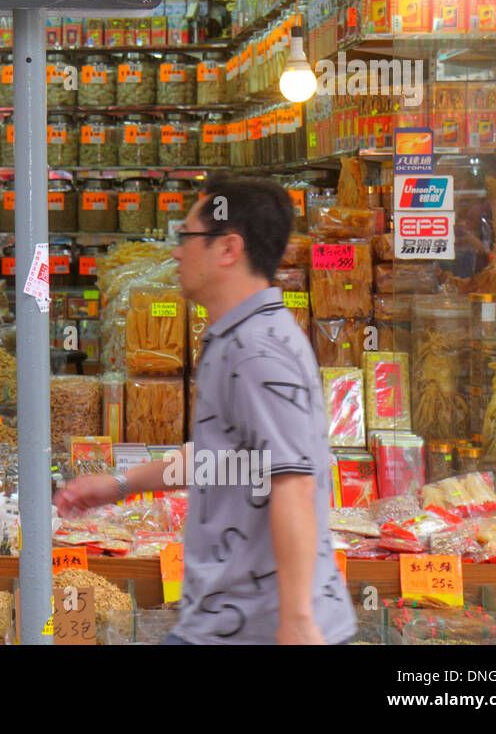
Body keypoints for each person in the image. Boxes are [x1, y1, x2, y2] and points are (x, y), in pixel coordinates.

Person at [55, 175, 356, 645]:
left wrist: (298, 624)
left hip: (257, 627)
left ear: (229, 248)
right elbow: (227, 460)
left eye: (187, 238)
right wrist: (118, 484)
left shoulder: (258, 351)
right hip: (222, 620)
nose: (176, 253)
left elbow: (292, 482)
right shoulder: (233, 336)